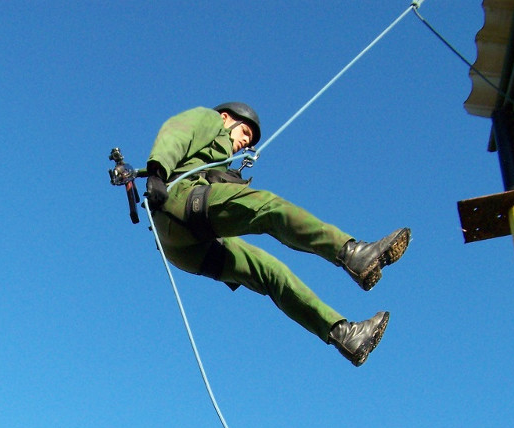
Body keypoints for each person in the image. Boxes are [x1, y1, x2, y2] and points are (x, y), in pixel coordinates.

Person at [143, 102, 410, 367]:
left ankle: (344, 334)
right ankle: (353, 253)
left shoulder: (219, 161)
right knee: (269, 207)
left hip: (184, 249)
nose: (245, 143)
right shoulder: (209, 119)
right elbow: (178, 131)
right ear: (226, 118)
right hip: (177, 201)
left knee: (270, 271)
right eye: (245, 133)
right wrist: (158, 171)